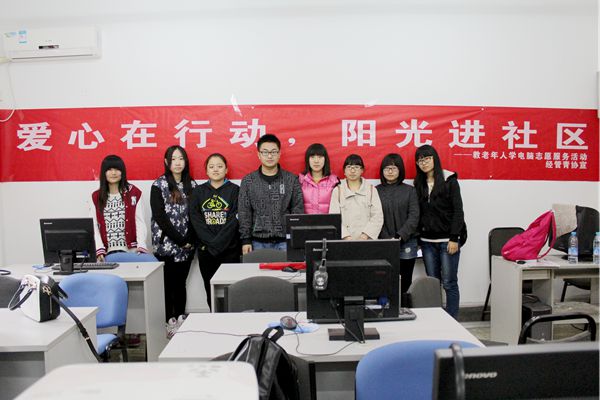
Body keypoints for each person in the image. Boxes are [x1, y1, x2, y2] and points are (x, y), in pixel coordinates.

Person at [413, 144, 466, 319]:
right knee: (433, 283)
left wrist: (454, 238)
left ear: (435, 159)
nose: (424, 163)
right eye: (420, 160)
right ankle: (437, 320)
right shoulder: (418, 183)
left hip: (447, 241)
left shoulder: (449, 180)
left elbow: (458, 211)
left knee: (449, 283)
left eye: (427, 158)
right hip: (427, 242)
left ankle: (453, 320)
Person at [150, 145, 197, 322]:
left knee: (180, 283)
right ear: (166, 162)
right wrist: (180, 240)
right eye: (173, 159)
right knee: (167, 284)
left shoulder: (192, 185)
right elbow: (159, 216)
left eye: (181, 159)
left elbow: (195, 215)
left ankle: (180, 318)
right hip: (166, 245)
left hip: (188, 245)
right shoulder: (158, 185)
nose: (177, 163)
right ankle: (169, 320)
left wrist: (189, 239)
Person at [190, 153, 241, 310]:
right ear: (206, 170)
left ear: (226, 169)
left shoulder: (235, 190)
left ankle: (231, 319)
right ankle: (214, 317)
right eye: (211, 167)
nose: (216, 169)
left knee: (232, 289)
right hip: (206, 252)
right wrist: (212, 244)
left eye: (219, 166)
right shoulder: (198, 192)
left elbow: (234, 220)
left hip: (230, 250)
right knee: (210, 288)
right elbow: (196, 220)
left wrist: (218, 243)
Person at [238, 134, 304, 254]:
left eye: (273, 152)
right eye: (265, 152)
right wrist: (245, 240)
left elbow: (297, 209)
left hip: (285, 241)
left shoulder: (291, 179)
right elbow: (244, 212)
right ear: (258, 154)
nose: (269, 156)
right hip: (257, 242)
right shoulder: (248, 181)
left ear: (279, 154)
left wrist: (295, 237)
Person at [377, 153, 420, 301]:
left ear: (400, 170)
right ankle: (384, 308)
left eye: (394, 168)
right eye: (387, 168)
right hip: (383, 242)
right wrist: (386, 238)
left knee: (405, 280)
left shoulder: (410, 191)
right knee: (383, 278)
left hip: (406, 242)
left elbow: (414, 216)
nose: (390, 171)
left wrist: (399, 236)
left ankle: (402, 308)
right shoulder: (375, 191)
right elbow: (374, 217)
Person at [91, 155, 149, 261]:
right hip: (106, 254)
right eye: (109, 169)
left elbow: (140, 222)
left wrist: (141, 246)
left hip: (131, 252)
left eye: (117, 169)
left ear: (122, 172)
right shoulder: (96, 197)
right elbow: (94, 226)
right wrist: (99, 249)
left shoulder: (134, 193)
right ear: (104, 173)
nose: (113, 173)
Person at [329, 154, 383, 240]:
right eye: (349, 167)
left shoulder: (371, 190)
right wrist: (346, 237)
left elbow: (377, 216)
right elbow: (333, 217)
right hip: (344, 241)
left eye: (356, 167)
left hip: (367, 240)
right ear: (344, 171)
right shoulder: (338, 191)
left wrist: (365, 236)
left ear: (362, 170)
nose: (352, 170)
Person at [299, 143, 339, 214]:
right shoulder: (300, 181)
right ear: (307, 160)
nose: (316, 161)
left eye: (320, 157)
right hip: (305, 221)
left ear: (325, 159)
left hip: (329, 221)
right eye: (312, 157)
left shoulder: (334, 181)